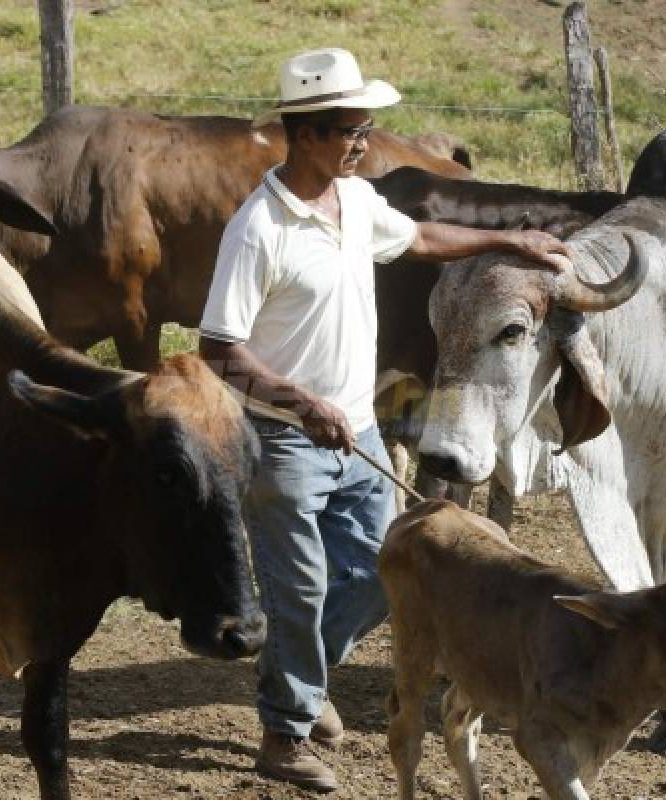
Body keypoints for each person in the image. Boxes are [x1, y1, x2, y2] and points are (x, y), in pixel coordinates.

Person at [198, 47, 570, 793]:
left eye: (365, 127)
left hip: (358, 429)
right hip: (282, 439)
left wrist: (509, 241)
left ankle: (293, 679)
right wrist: (301, 404)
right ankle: (284, 733)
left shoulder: (357, 201)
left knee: (380, 573)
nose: (362, 141)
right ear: (303, 134)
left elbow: (421, 240)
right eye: (346, 129)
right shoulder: (258, 228)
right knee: (299, 586)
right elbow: (217, 347)